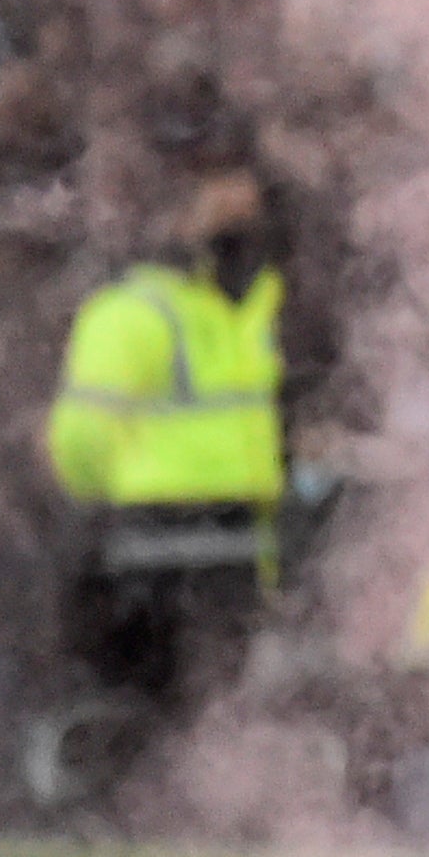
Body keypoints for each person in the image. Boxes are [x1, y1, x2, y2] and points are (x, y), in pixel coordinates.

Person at [46, 171, 291, 720]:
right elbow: (82, 443)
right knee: (198, 716)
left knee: (184, 721)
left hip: (197, 547)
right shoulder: (146, 312)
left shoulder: (227, 310)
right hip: (177, 553)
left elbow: (81, 448)